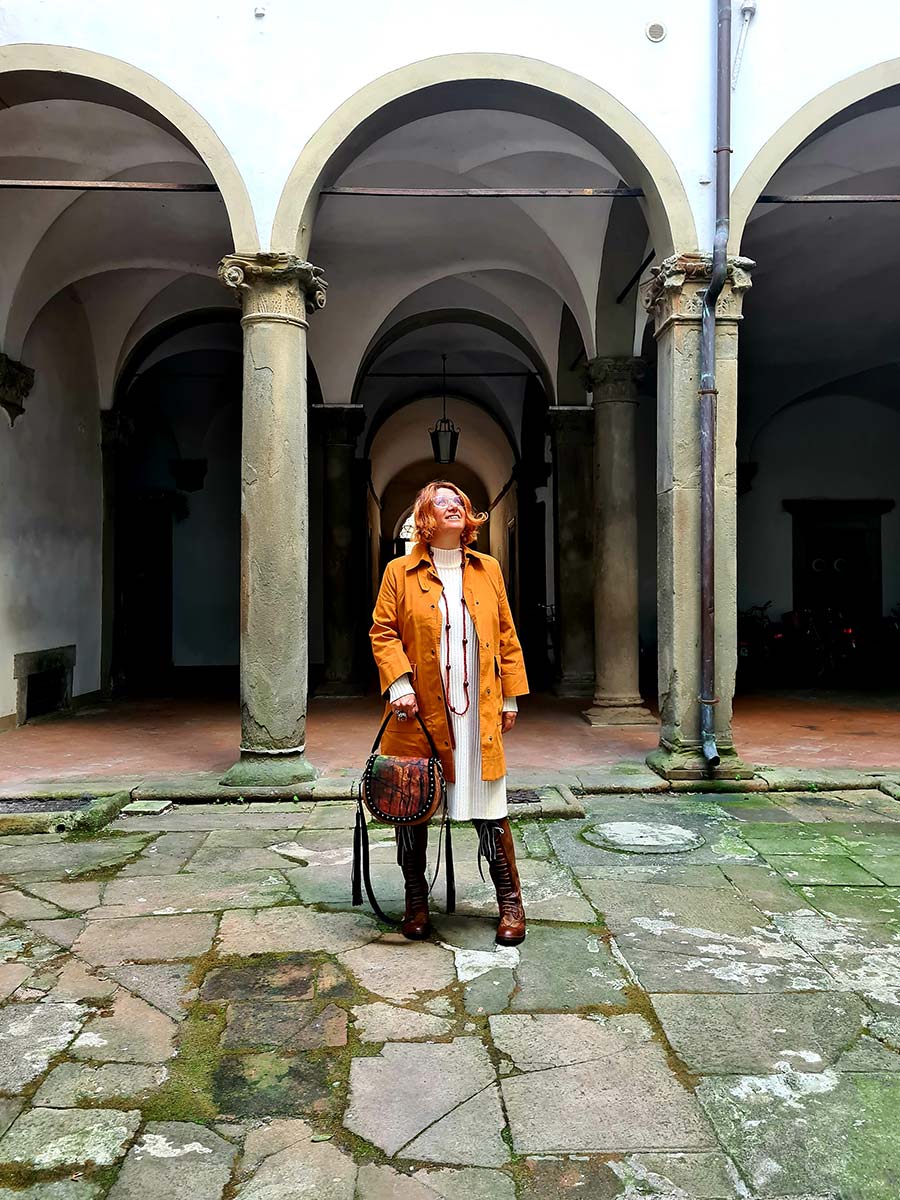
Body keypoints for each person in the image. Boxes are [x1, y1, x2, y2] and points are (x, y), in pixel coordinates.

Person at [369, 480, 529, 945]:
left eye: (458, 501)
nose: (454, 506)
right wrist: (399, 683)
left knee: (490, 807)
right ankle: (416, 902)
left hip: (476, 710)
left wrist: (509, 696)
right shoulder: (399, 572)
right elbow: (382, 631)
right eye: (441, 502)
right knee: (412, 804)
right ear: (424, 517)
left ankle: (510, 902)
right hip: (419, 713)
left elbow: (505, 634)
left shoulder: (488, 569)